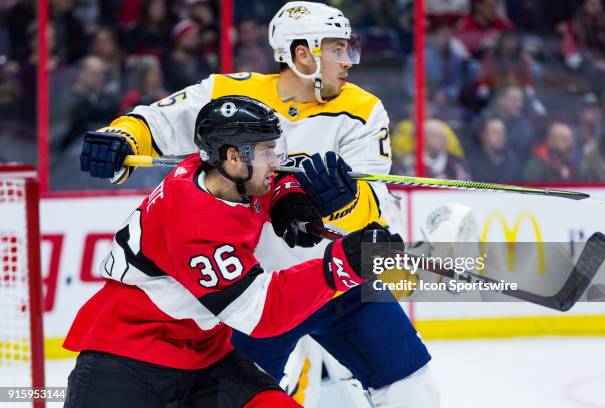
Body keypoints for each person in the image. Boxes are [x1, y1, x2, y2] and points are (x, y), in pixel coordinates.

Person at [79, 2, 438, 407]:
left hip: (343, 282)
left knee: (413, 389)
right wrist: (122, 137)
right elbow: (158, 122)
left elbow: (372, 203)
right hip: (262, 293)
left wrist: (344, 203)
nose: (348, 62)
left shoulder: (364, 111)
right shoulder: (232, 96)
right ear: (303, 54)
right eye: (338, 50)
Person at [66, 95, 399, 407]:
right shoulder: (195, 222)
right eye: (268, 151)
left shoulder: (218, 173)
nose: (277, 161)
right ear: (233, 157)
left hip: (205, 357)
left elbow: (268, 183)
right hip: (128, 363)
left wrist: (287, 196)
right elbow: (262, 312)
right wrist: (340, 267)